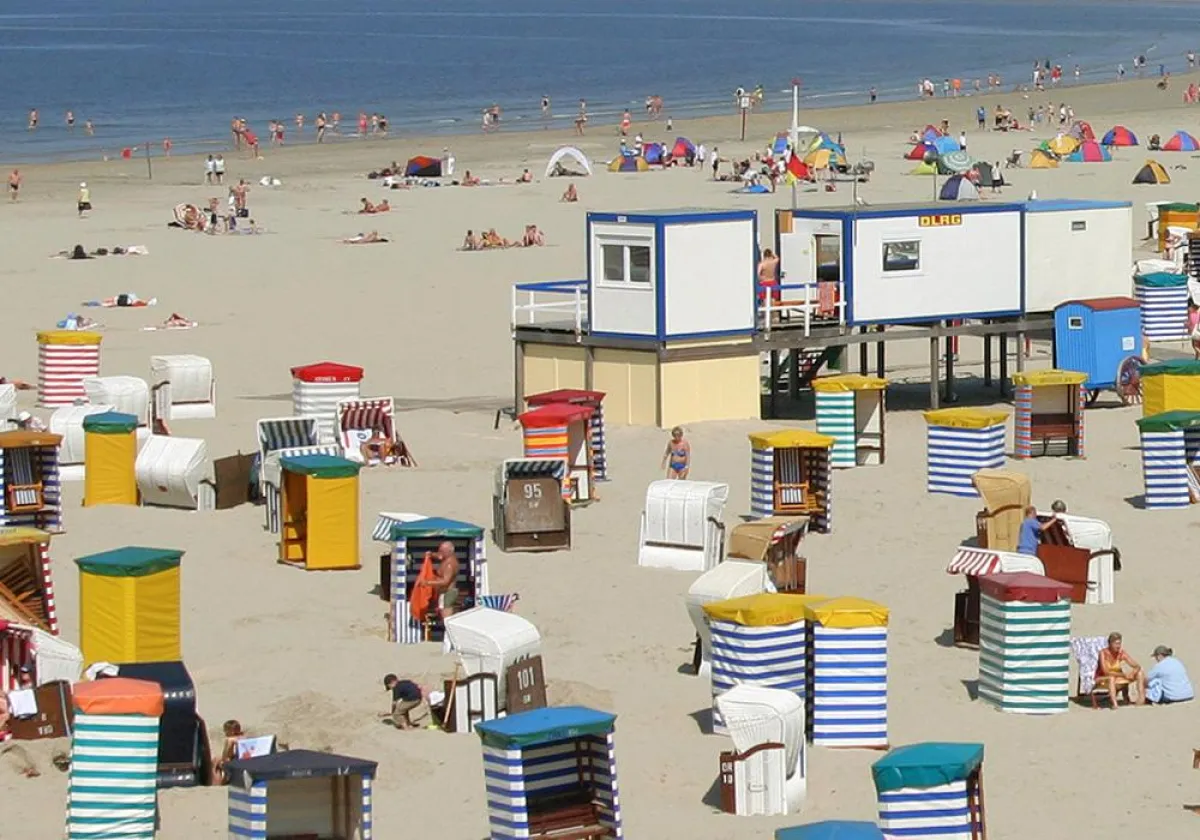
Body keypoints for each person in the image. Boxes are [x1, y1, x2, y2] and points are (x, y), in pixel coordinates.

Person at [1098, 632, 1148, 706]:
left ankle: (1141, 698)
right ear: (1110, 644)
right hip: (1105, 678)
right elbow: (1106, 671)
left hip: (1119, 677)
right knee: (1111, 678)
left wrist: (1133, 672)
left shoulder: (1121, 653)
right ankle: (1115, 704)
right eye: (1116, 644)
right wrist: (1124, 675)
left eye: (1119, 643)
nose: (1118, 646)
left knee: (1140, 672)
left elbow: (1137, 665)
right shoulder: (1103, 653)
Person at [212, 719, 244, 784]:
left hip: (232, 762)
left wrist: (222, 762)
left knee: (215, 761)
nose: (224, 732)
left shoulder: (230, 740)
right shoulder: (243, 738)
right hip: (242, 760)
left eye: (225, 730)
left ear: (231, 731)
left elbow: (227, 754)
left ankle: (217, 781)